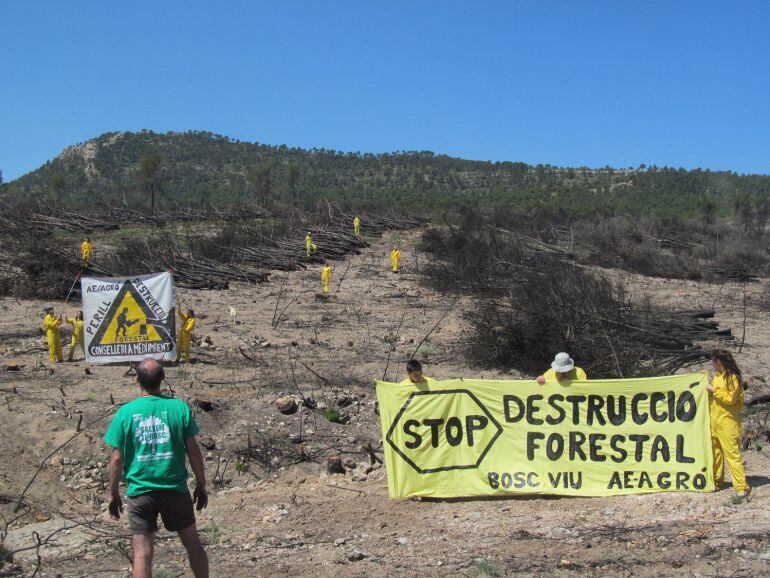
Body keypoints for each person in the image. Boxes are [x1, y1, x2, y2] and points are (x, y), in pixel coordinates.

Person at [104, 359, 209, 578]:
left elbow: (116, 459)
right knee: (192, 544)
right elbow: (194, 451)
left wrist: (112, 493)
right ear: (163, 378)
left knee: (142, 553)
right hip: (174, 488)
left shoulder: (126, 413)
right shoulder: (178, 408)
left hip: (140, 492)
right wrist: (201, 483)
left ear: (137, 380)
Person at [707, 349, 750, 499]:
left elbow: (730, 398)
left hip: (728, 422)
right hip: (715, 420)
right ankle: (717, 481)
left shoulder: (733, 378)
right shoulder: (717, 377)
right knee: (716, 452)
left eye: (714, 360)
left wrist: (713, 390)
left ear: (719, 361)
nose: (712, 363)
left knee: (732, 455)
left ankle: (741, 486)